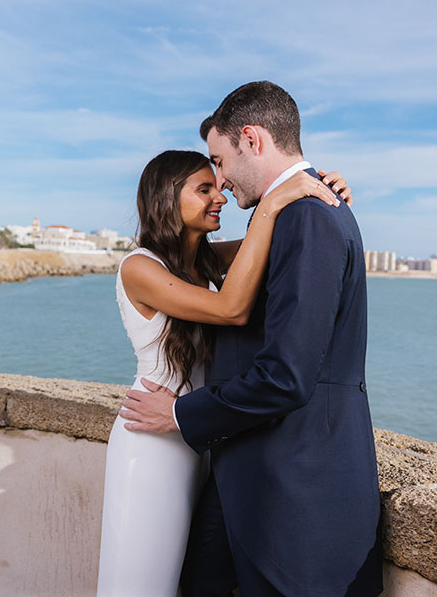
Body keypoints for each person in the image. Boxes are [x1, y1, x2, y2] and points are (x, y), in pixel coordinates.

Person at [121, 81, 382, 596]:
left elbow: (286, 376)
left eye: (219, 162)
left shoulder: (308, 216)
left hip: (291, 481)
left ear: (252, 140)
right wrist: (286, 197)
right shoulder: (287, 215)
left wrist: (312, 189)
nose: (220, 183)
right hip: (241, 465)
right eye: (205, 181)